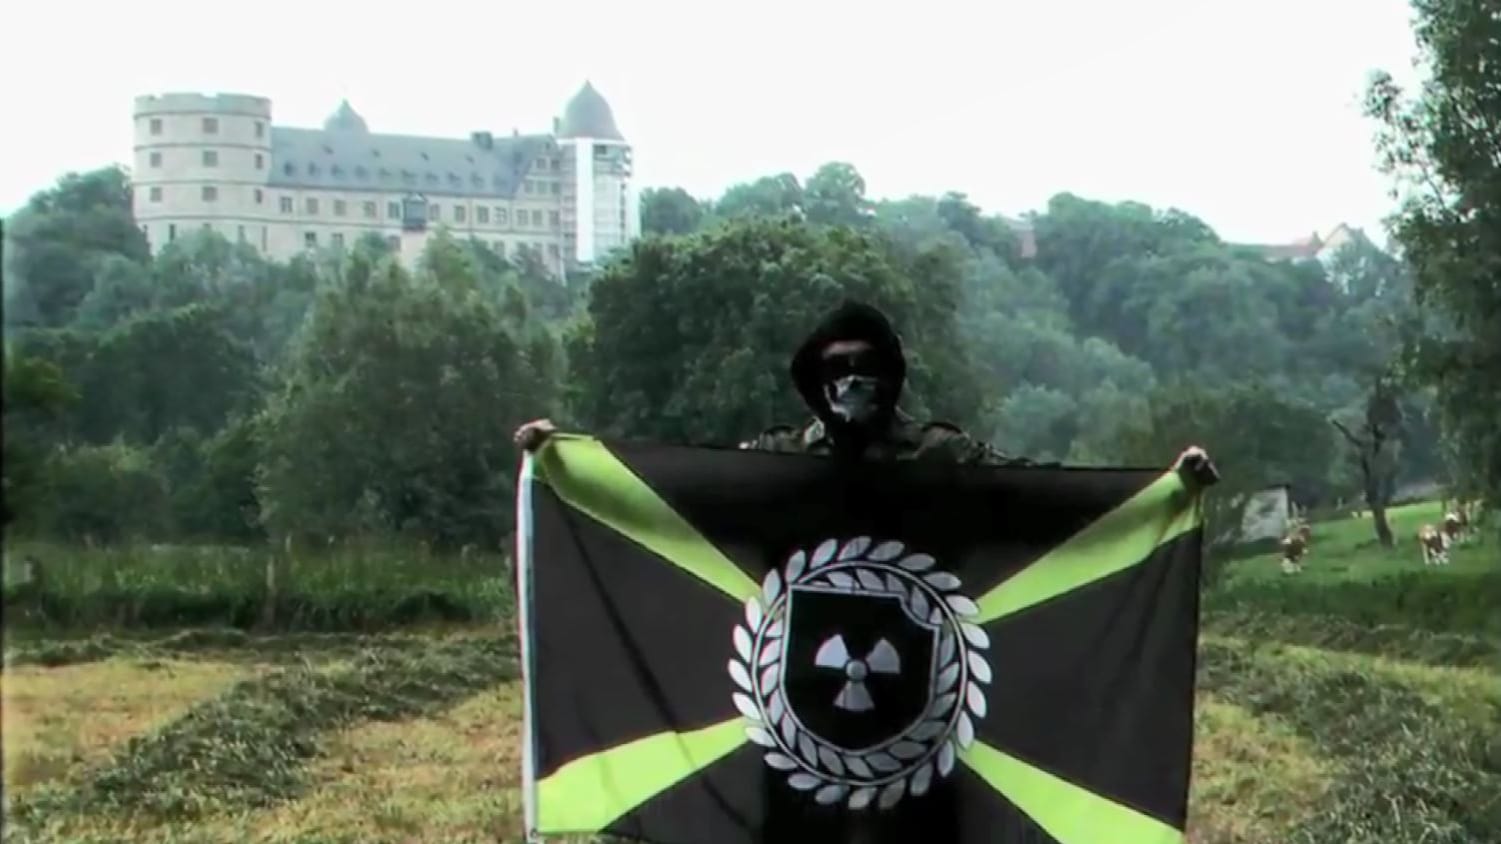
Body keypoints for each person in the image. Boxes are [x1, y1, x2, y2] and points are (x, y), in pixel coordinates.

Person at [513, 300, 1218, 488]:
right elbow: (672, 486)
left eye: (864, 364)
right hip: (797, 683)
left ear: (891, 372)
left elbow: (1054, 495)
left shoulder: (941, 457)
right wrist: (564, 459)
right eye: (833, 368)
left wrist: (1164, 485)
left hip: (923, 675)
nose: (849, 380)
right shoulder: (775, 460)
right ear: (812, 383)